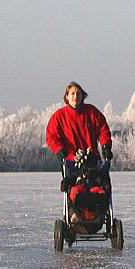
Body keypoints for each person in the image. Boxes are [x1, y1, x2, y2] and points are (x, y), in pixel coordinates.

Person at [46, 82, 113, 232]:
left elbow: (103, 129)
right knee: (73, 188)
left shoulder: (92, 112)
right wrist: (58, 150)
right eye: (72, 93)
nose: (75, 96)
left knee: (101, 184)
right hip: (71, 160)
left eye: (78, 93)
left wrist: (106, 145)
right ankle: (74, 216)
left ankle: (100, 215)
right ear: (67, 96)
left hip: (92, 159)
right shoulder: (59, 116)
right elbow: (51, 136)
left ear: (83, 96)